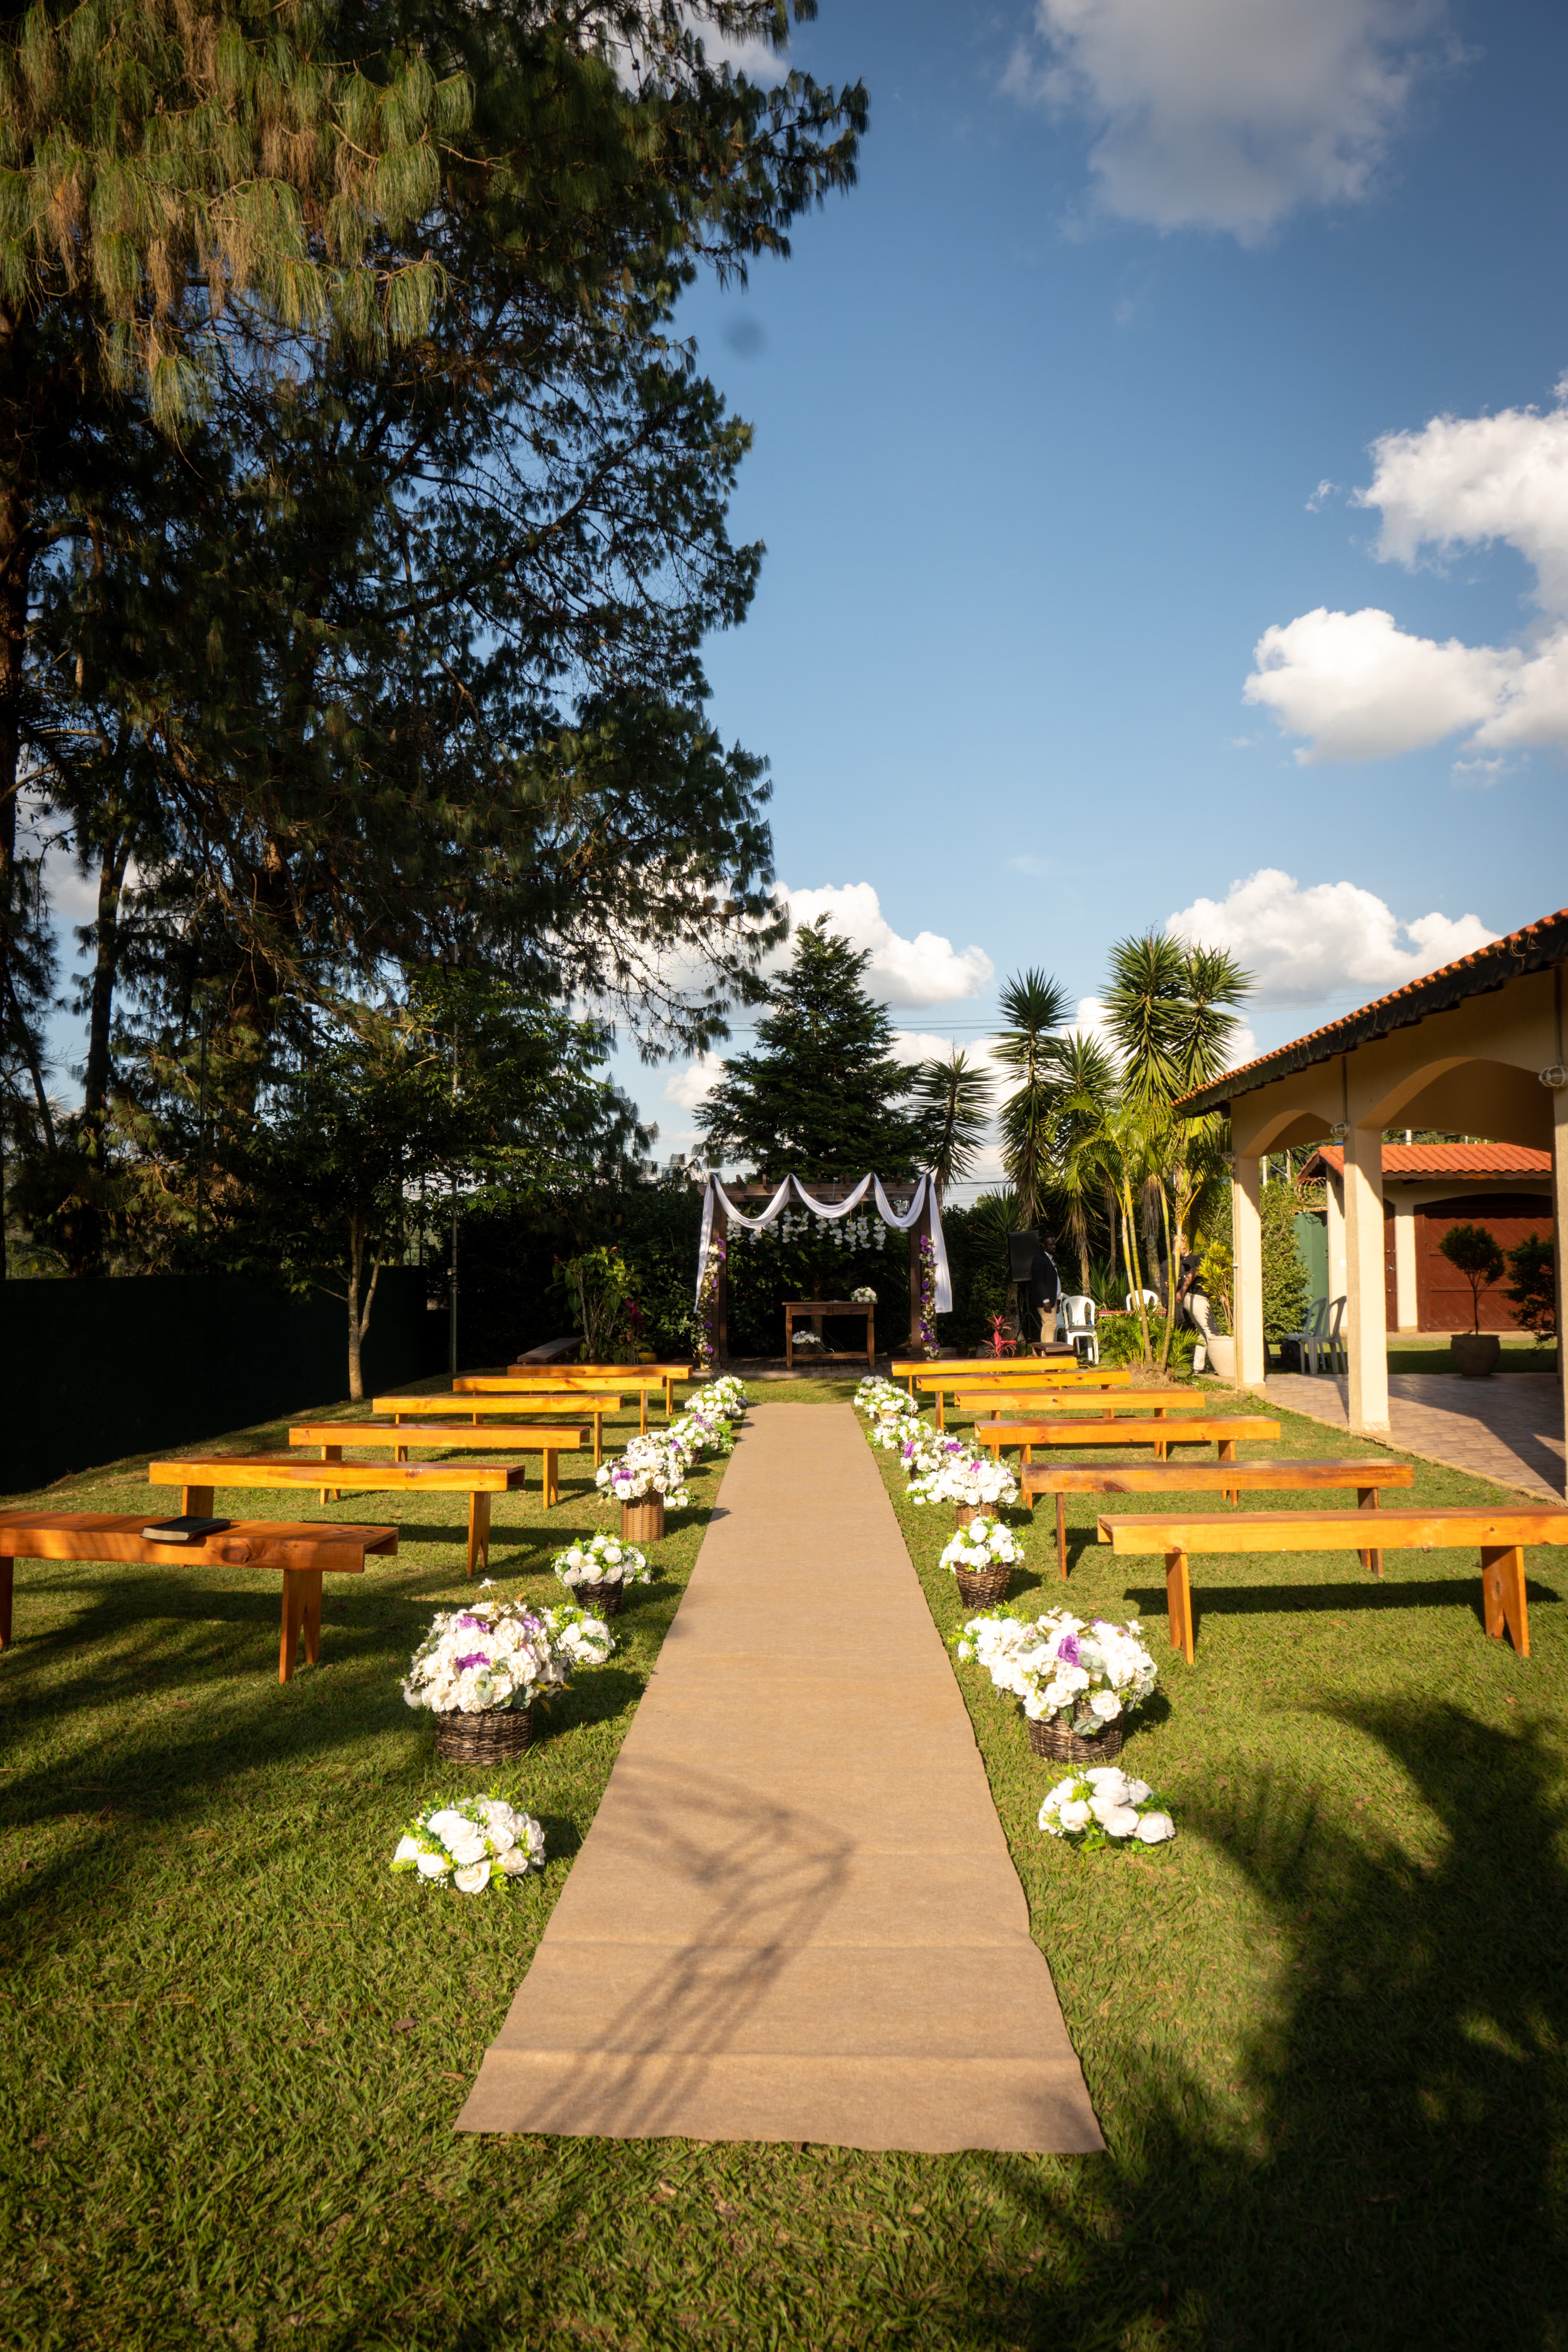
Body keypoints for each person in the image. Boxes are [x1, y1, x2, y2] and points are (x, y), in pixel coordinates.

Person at [1027, 1232, 1062, 1348]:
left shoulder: (1049, 1259)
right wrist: (1046, 1300)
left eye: (1054, 1244)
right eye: (1050, 1245)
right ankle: (1048, 1356)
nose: (1053, 1247)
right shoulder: (1040, 1259)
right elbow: (1039, 1281)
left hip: (1052, 1300)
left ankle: (1044, 1356)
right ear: (1044, 1246)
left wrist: (1057, 1300)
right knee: (1051, 1325)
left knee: (1047, 1325)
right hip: (1046, 1301)